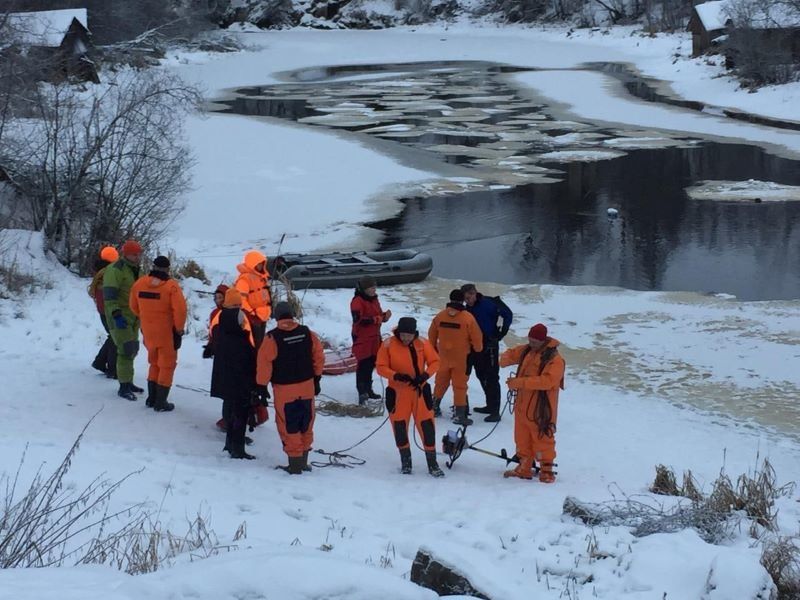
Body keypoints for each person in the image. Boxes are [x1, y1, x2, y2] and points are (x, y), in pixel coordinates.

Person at [256, 301, 324, 475]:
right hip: (307, 385)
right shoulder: (307, 333)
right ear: (292, 315)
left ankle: (294, 465)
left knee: (289, 425)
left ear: (276, 317)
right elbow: (318, 356)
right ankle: (303, 462)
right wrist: (316, 378)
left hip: (284, 389)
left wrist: (261, 387)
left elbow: (264, 364)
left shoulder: (272, 338)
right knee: (306, 422)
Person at [376, 317, 444, 477]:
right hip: (398, 394)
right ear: (398, 332)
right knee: (399, 428)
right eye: (403, 335)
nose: (406, 338)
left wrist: (425, 375)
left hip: (419, 392)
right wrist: (396, 376)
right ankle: (406, 462)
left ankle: (432, 464)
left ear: (414, 333)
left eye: (409, 335)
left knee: (427, 428)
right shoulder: (388, 344)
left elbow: (435, 361)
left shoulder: (422, 343)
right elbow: (380, 367)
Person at [500, 323, 565, 483]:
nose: (531, 344)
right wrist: (504, 359)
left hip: (541, 408)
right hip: (522, 405)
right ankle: (524, 467)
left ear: (543, 341)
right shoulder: (527, 350)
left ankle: (547, 471)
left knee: (543, 437)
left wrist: (520, 382)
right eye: (530, 340)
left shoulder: (555, 360)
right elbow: (510, 354)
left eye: (535, 342)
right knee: (521, 437)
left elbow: (548, 381)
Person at [129, 256, 188, 412]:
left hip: (148, 331)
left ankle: (151, 398)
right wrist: (179, 329)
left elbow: (133, 306)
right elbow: (180, 310)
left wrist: (145, 318)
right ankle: (161, 402)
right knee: (167, 365)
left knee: (154, 362)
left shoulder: (140, 283)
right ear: (167, 269)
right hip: (166, 331)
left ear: (153, 266)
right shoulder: (171, 287)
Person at [210, 288, 262, 459]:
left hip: (225, 379)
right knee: (240, 414)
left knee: (231, 411)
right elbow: (248, 360)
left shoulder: (221, 326)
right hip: (240, 383)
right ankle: (238, 449)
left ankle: (229, 444)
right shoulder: (240, 336)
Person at [427, 289, 483, 426]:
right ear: (462, 300)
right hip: (462, 359)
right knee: (460, 386)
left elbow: (431, 335)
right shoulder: (467, 318)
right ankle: (460, 415)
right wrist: (477, 350)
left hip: (443, 357)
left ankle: (434, 407)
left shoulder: (440, 316)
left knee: (440, 383)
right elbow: (477, 338)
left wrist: (434, 349)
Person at [461, 283, 513, 423]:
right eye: (466, 298)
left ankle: (495, 410)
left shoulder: (489, 303)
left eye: (470, 296)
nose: (469, 299)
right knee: (480, 374)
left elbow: (507, 314)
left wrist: (500, 333)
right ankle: (490, 406)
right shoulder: (466, 309)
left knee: (491, 377)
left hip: (489, 345)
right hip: (475, 346)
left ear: (475, 293)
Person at [103, 240, 144, 401]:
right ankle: (123, 386)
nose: (138, 257)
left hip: (134, 316)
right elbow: (109, 296)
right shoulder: (115, 270)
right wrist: (116, 314)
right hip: (120, 316)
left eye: (138, 254)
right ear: (126, 254)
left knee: (132, 349)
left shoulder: (136, 270)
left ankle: (129, 381)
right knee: (125, 350)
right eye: (135, 254)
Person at [350, 275, 391, 405]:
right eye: (371, 288)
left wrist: (384, 317)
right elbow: (359, 320)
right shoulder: (357, 301)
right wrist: (377, 319)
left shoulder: (374, 300)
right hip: (362, 337)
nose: (374, 290)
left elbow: (377, 314)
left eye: (374, 287)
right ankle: (362, 392)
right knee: (363, 364)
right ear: (364, 289)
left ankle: (369, 389)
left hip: (375, 337)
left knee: (371, 363)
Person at [88, 246, 119, 379]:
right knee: (115, 337)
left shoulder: (100, 271)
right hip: (109, 308)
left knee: (113, 336)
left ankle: (100, 362)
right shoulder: (110, 272)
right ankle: (111, 369)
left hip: (102, 308)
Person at [234, 250, 272, 348]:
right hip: (253, 318)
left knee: (261, 343)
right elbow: (240, 300)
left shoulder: (261, 278)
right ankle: (255, 362)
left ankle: (259, 361)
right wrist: (251, 314)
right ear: (252, 264)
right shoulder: (244, 279)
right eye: (259, 264)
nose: (261, 266)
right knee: (255, 344)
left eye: (262, 264)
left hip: (262, 316)